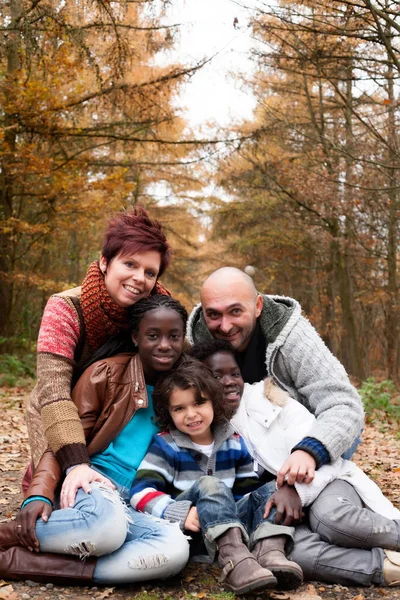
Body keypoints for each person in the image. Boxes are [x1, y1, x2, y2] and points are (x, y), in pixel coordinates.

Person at [0, 295, 190, 585]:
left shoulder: (188, 386)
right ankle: (9, 533)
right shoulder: (107, 374)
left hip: (141, 500)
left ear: (183, 338)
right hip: (93, 484)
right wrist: (39, 493)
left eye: (173, 336)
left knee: (175, 548)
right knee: (106, 527)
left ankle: (18, 562)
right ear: (135, 337)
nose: (164, 345)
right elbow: (65, 440)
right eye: (153, 335)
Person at [189, 339, 400, 588]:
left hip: (324, 483)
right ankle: (386, 567)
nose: (229, 381)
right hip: (276, 512)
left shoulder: (273, 402)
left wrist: (296, 491)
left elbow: (328, 455)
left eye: (234, 373)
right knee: (296, 554)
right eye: (217, 376)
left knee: (331, 520)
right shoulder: (201, 425)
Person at [130, 357, 304, 594]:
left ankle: (269, 551)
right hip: (194, 531)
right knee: (210, 484)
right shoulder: (166, 445)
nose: (191, 414)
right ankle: (234, 563)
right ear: (168, 412)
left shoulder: (232, 441)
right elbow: (140, 493)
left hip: (233, 526)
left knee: (273, 489)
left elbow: (248, 492)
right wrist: (180, 513)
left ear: (214, 402)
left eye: (199, 403)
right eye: (180, 408)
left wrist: (270, 497)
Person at [187, 266, 365, 487]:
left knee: (313, 499)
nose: (225, 326)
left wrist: (309, 451)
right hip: (243, 444)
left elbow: (344, 405)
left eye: (235, 311)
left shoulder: (292, 337)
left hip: (302, 432)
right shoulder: (197, 346)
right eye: (213, 314)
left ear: (258, 306)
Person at [27, 206, 171, 476]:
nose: (139, 278)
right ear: (105, 262)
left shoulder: (162, 314)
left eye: (150, 272)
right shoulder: (66, 308)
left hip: (123, 416)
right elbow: (53, 391)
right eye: (130, 264)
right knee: (57, 499)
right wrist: (76, 464)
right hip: (63, 411)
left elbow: (185, 364)